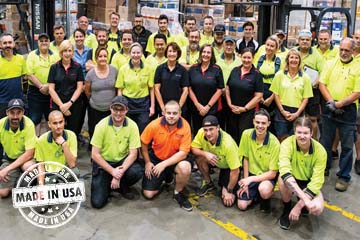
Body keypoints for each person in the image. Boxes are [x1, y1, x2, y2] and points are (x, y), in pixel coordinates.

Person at [319, 37, 360, 191]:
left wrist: (340, 104)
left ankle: (343, 176)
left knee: (348, 145)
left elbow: (357, 92)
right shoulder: (330, 63)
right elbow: (322, 83)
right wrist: (331, 102)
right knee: (325, 141)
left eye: (347, 50)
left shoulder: (358, 67)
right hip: (330, 106)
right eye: (341, 49)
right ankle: (324, 167)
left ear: (353, 50)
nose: (343, 53)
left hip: (348, 110)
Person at [90, 96, 143, 209]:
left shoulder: (132, 126)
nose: (118, 113)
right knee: (97, 203)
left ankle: (121, 185)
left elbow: (133, 154)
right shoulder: (101, 126)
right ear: (111, 109)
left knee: (137, 171)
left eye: (121, 110)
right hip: (104, 164)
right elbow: (95, 154)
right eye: (115, 110)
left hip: (121, 162)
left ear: (126, 110)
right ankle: (107, 184)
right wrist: (112, 171)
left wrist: (118, 174)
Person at [141, 101, 193, 211]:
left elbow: (183, 153)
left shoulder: (185, 126)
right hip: (157, 158)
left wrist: (163, 165)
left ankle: (177, 192)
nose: (171, 116)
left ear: (180, 113)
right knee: (148, 194)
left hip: (176, 160)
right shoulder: (154, 125)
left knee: (185, 168)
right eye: (169, 113)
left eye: (175, 113)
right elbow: (143, 143)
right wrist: (147, 162)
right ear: (164, 112)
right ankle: (166, 177)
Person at [278, 117, 326, 230]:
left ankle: (300, 206)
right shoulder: (286, 144)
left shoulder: (320, 151)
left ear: (311, 133)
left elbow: (316, 182)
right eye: (299, 132)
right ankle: (286, 209)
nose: (302, 136)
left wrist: (299, 206)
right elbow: (285, 171)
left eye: (306, 133)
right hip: (292, 179)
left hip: (308, 182)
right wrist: (305, 200)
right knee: (282, 180)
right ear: (294, 132)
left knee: (318, 209)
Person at [191, 115, 240, 207]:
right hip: (215, 160)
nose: (208, 133)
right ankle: (208, 183)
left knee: (227, 200)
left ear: (218, 128)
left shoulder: (228, 144)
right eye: (206, 130)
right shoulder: (201, 133)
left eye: (211, 129)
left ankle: (227, 187)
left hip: (229, 167)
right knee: (199, 158)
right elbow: (193, 148)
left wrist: (229, 190)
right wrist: (206, 154)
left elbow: (235, 171)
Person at [237, 109, 280, 212]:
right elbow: (246, 158)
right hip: (251, 174)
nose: (260, 126)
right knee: (242, 205)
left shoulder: (275, 143)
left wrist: (250, 180)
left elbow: (272, 173)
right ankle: (255, 195)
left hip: (266, 177)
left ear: (268, 124)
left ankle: (265, 198)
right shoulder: (246, 135)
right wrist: (245, 182)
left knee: (264, 189)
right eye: (257, 122)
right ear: (253, 122)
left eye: (263, 123)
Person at [270, 49, 313, 142]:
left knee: (296, 140)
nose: (294, 60)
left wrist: (297, 114)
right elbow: (276, 94)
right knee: (281, 139)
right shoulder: (279, 75)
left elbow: (306, 98)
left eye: (296, 58)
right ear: (287, 60)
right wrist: (282, 111)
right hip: (281, 112)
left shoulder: (305, 77)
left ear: (300, 61)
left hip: (298, 112)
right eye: (291, 57)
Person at [226, 47, 263, 144]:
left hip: (247, 113)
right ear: (240, 57)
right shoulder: (235, 70)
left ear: (253, 58)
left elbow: (258, 96)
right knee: (231, 135)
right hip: (232, 110)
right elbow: (227, 88)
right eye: (244, 57)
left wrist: (245, 108)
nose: (246, 60)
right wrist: (229, 104)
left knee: (244, 136)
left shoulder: (257, 74)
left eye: (249, 58)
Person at [0, 99, 36, 197]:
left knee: (29, 168)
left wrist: (6, 170)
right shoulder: (1, 124)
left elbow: (29, 154)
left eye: (18, 113)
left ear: (23, 112)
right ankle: (18, 180)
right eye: (12, 113)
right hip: (10, 159)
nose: (15, 117)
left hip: (26, 159)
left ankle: (21, 181)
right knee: (3, 193)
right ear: (7, 112)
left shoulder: (29, 124)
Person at [48, 40, 84, 137]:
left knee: (73, 132)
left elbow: (79, 87)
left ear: (72, 52)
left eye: (69, 51)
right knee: (57, 131)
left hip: (74, 104)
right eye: (64, 51)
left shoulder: (78, 67)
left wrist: (69, 104)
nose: (67, 54)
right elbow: (51, 89)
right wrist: (62, 106)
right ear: (60, 52)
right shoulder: (54, 67)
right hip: (57, 104)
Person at [115, 42, 154, 133]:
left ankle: (141, 147)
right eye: (133, 53)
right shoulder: (123, 69)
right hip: (128, 102)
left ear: (141, 54)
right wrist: (120, 106)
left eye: (138, 53)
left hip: (143, 103)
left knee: (143, 129)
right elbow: (120, 89)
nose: (136, 55)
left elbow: (151, 89)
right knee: (128, 130)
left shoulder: (148, 68)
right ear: (129, 54)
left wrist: (152, 107)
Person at [26, 33, 60, 136]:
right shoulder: (32, 55)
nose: (44, 42)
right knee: (35, 119)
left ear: (49, 42)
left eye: (46, 40)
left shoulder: (56, 55)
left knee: (51, 118)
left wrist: (48, 87)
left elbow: (58, 73)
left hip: (52, 91)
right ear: (38, 42)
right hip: (35, 92)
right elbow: (29, 74)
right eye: (41, 41)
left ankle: (50, 141)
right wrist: (41, 86)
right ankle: (36, 143)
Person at [189, 44, 224, 134]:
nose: (206, 54)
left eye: (208, 52)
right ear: (200, 53)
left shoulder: (217, 69)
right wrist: (197, 105)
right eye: (204, 52)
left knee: (210, 133)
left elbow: (220, 89)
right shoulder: (193, 69)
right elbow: (189, 88)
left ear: (212, 55)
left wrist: (207, 107)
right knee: (198, 133)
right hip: (196, 109)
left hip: (212, 109)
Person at [85, 47, 118, 141]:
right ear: (96, 58)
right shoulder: (90, 74)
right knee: (94, 131)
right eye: (100, 56)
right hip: (95, 109)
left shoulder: (114, 70)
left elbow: (117, 88)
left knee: (109, 131)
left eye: (105, 56)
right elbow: (87, 91)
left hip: (110, 110)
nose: (103, 58)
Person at [297, 29, 324, 140]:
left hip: (313, 91)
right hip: (296, 90)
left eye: (307, 40)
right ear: (298, 40)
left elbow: (323, 72)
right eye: (302, 39)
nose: (304, 42)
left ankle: (314, 142)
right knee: (297, 118)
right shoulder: (293, 52)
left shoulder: (317, 55)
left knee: (312, 119)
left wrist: (316, 82)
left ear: (311, 41)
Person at [35, 110, 79, 179]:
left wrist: (64, 145)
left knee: (75, 172)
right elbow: (41, 166)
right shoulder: (41, 140)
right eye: (55, 123)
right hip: (49, 174)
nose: (58, 126)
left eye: (61, 122)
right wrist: (41, 185)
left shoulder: (72, 135)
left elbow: (72, 164)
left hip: (65, 171)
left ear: (64, 122)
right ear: (49, 124)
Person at [154, 42, 189, 116]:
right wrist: (162, 107)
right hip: (164, 108)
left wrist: (178, 108)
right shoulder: (160, 69)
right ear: (166, 53)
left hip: (179, 108)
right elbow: (156, 89)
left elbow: (185, 90)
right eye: (170, 51)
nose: (172, 54)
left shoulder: (183, 70)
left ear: (178, 53)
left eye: (174, 51)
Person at [254, 35, 282, 122]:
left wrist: (271, 98)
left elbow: (279, 82)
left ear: (276, 48)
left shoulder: (280, 62)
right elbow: (255, 78)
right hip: (259, 92)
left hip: (272, 93)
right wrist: (259, 96)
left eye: (272, 46)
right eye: (267, 45)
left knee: (271, 119)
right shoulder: (259, 60)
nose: (269, 48)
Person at [216, 36, 242, 130]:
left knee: (232, 124)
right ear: (223, 45)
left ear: (235, 46)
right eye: (227, 44)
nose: (229, 47)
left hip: (233, 97)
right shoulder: (216, 59)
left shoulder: (240, 61)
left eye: (231, 45)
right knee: (220, 122)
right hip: (219, 96)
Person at [0, 33, 27, 117]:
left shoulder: (20, 59)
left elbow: (25, 77)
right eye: (5, 43)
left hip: (18, 100)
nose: (7, 45)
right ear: (0, 45)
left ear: (13, 44)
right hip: (2, 102)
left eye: (9, 42)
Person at [353, 29, 360, 175]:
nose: (358, 40)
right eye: (357, 37)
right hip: (343, 101)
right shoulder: (342, 54)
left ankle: (359, 159)